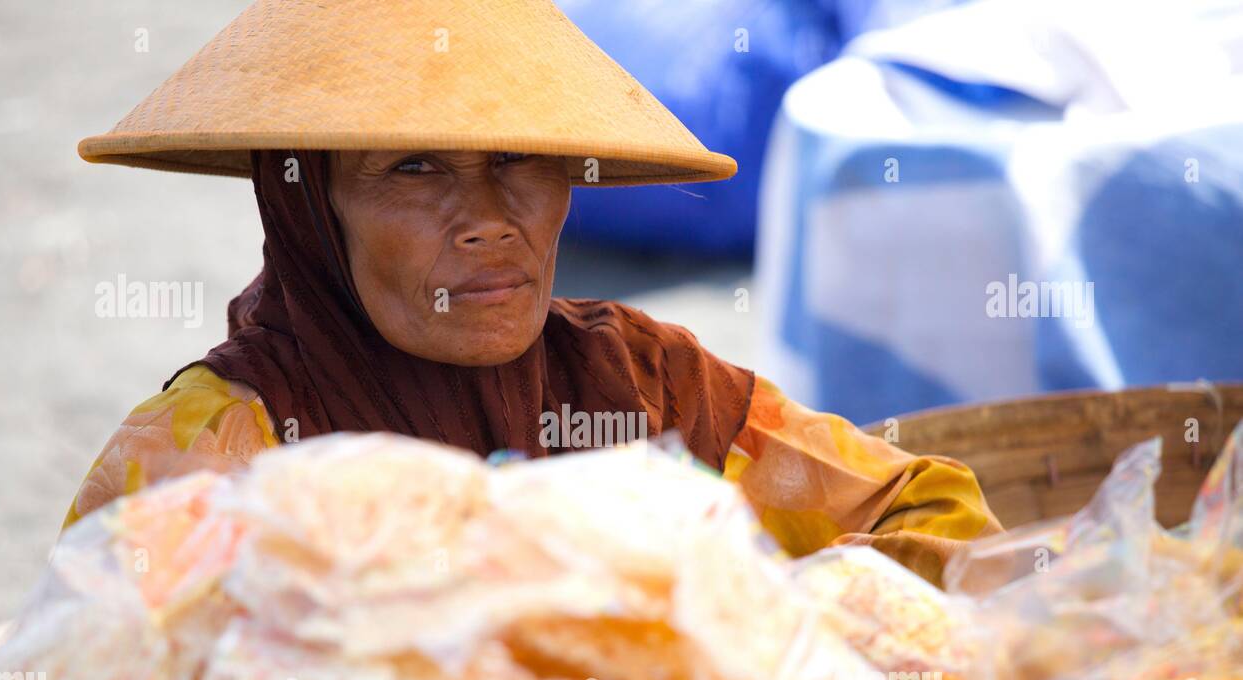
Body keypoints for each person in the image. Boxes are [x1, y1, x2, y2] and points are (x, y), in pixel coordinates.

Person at [68, 0, 1001, 586]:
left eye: (518, 159)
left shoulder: (646, 387)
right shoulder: (206, 458)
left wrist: (754, 635)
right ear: (309, 207)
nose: (488, 218)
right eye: (414, 166)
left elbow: (924, 513)